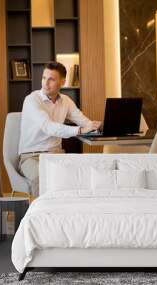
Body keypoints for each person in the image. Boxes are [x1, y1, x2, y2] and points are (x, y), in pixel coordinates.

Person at [18, 62, 101, 197]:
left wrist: (96, 126)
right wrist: (80, 130)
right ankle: (43, 216)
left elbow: (84, 121)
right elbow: (48, 127)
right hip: (31, 157)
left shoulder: (66, 101)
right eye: (44, 78)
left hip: (56, 155)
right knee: (40, 177)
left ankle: (69, 213)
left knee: (80, 175)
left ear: (62, 82)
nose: (46, 83)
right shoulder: (32, 100)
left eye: (51, 79)